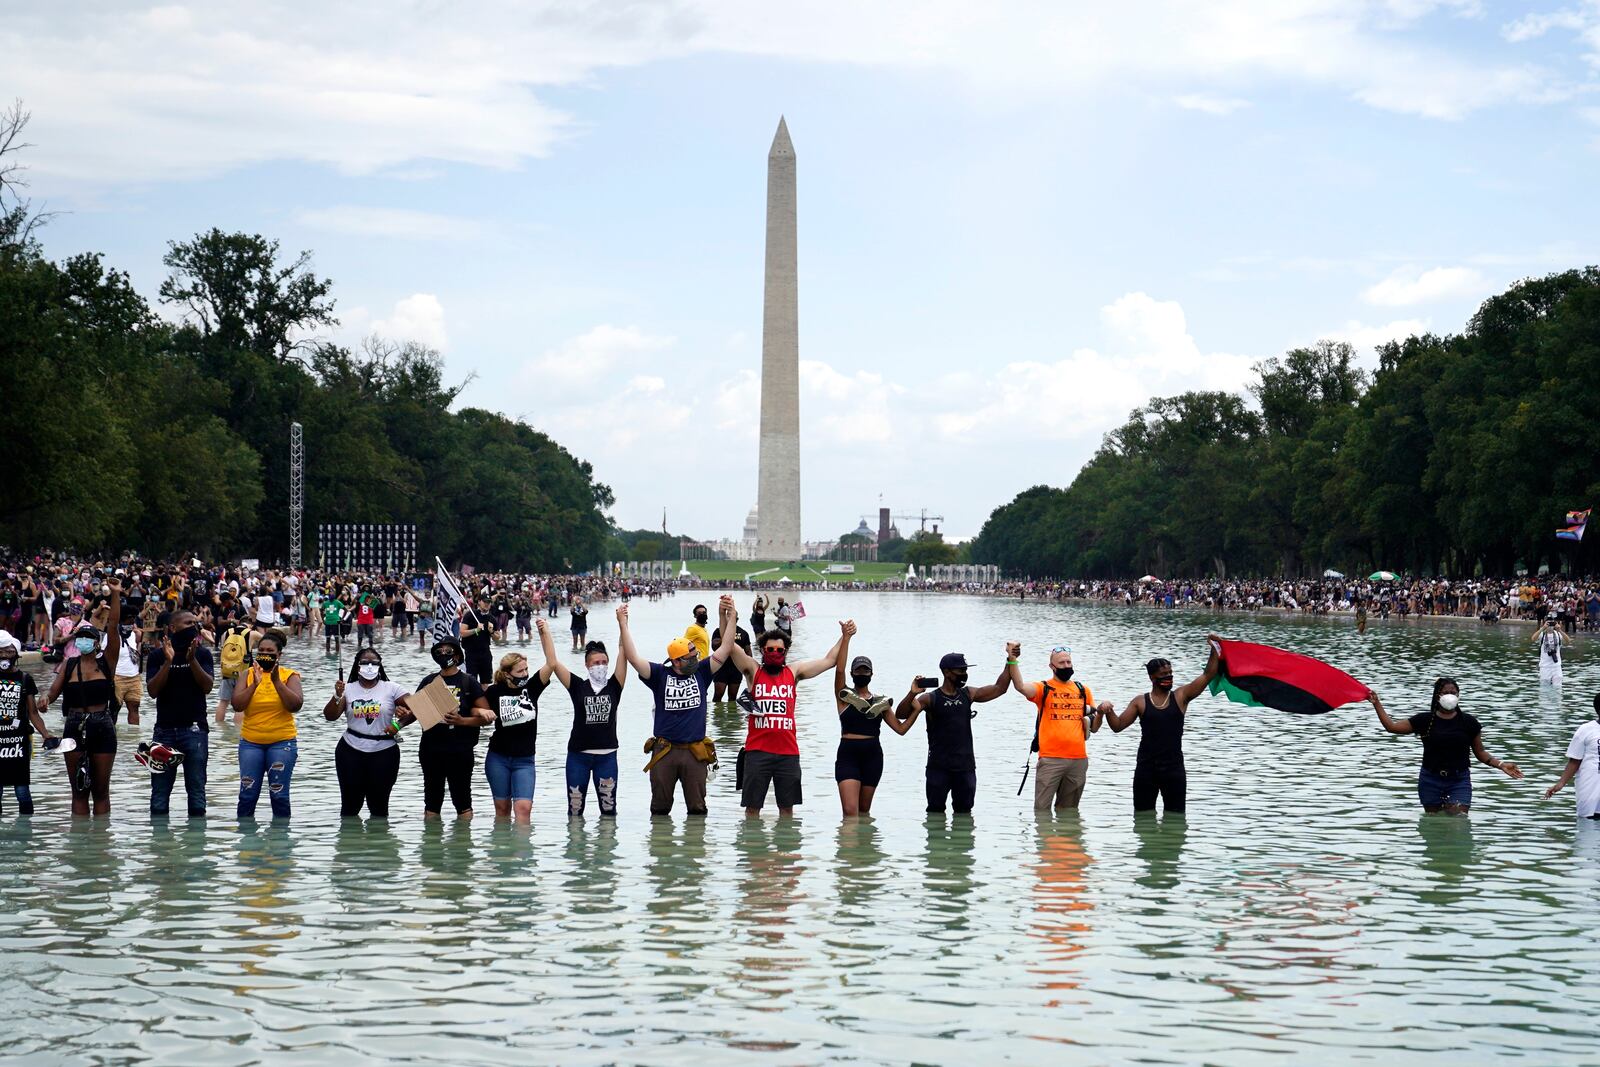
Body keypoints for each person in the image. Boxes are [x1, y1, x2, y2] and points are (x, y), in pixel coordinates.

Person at [618, 596, 738, 815]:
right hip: (665, 751)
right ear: (675, 661)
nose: (696, 658)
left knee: (697, 809)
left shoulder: (702, 671)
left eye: (695, 654)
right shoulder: (659, 675)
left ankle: (694, 847)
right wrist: (623, 624)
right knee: (660, 809)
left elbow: (726, 648)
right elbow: (634, 658)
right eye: (690, 656)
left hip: (694, 751)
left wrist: (731, 617)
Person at [724, 619, 848, 817]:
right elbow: (728, 646)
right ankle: (753, 846)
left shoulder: (793, 672)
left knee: (787, 811)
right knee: (752, 809)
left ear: (786, 652)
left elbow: (830, 661)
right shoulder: (753, 671)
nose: (774, 653)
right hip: (757, 752)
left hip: (788, 753)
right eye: (769, 650)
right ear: (763, 651)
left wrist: (845, 635)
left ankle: (786, 847)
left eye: (779, 650)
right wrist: (726, 616)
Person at [1370, 680, 1523, 814]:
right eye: (1445, 692)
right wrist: (1377, 703)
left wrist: (1501, 765)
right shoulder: (1424, 720)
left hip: (1459, 781)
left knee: (1458, 822)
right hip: (1430, 780)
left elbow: (1480, 752)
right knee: (1435, 824)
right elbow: (1392, 727)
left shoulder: (1469, 722)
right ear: (1438, 696)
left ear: (1458, 696)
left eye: (1453, 692)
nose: (1450, 695)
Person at [1102, 647, 1221, 814]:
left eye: (1170, 673)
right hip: (1146, 768)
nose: (1168, 677)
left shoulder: (1181, 696)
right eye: (1163, 674)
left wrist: (1214, 649)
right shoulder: (1140, 702)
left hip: (1173, 768)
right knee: (1142, 817)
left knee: (1176, 818)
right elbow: (1118, 726)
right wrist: (1108, 711)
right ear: (1152, 677)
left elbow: (1208, 675)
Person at [895, 650, 1011, 814]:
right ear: (947, 672)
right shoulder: (930, 698)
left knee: (964, 813)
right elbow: (901, 714)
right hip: (938, 768)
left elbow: (1000, 688)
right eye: (960, 670)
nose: (964, 674)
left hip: (965, 767)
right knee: (935, 812)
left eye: (965, 670)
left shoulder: (968, 694)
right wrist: (912, 693)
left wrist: (1010, 661)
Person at [1004, 643, 1115, 811]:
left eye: (1069, 662)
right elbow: (1020, 686)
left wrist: (1100, 712)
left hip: (1078, 760)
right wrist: (1012, 659)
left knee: (1069, 812)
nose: (1066, 666)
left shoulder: (1082, 690)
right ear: (1052, 666)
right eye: (1062, 663)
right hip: (1050, 760)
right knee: (1042, 811)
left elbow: (1094, 728)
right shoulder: (1044, 688)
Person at [47, 578, 123, 816]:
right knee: (78, 790)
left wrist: (116, 594)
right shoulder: (69, 664)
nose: (83, 641)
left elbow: (113, 625)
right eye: (80, 637)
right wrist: (42, 701)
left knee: (101, 791)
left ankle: (100, 844)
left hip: (102, 724)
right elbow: (52, 693)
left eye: (88, 637)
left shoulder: (106, 662)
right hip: (73, 725)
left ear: (97, 643)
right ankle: (78, 843)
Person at [541, 612, 627, 818]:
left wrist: (623, 622)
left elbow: (623, 652)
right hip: (578, 756)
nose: (601, 666)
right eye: (596, 663)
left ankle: (605, 850)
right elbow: (553, 663)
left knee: (608, 809)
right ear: (587, 665)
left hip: (606, 756)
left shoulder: (615, 685)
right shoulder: (577, 686)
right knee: (575, 808)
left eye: (604, 662)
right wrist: (545, 632)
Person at [323, 647, 411, 819]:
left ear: (380, 666)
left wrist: (399, 724)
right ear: (357, 667)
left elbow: (418, 707)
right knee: (350, 806)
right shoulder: (348, 688)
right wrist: (337, 696)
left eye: (374, 663)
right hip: (350, 750)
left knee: (379, 807)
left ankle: (378, 844)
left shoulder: (392, 688)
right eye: (365, 662)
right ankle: (350, 842)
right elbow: (330, 716)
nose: (369, 666)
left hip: (384, 751)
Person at [833, 623, 911, 816]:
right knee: (850, 812)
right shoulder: (844, 696)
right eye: (858, 671)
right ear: (852, 674)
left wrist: (915, 703)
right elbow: (839, 671)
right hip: (848, 754)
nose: (861, 674)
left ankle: (864, 845)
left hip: (873, 755)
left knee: (864, 811)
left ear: (871, 674)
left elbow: (900, 729)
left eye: (865, 671)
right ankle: (848, 845)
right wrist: (846, 638)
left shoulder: (881, 703)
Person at [144, 610, 215, 818]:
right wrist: (168, 662)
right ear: (172, 628)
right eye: (188, 623)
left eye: (196, 622)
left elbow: (207, 687)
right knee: (159, 795)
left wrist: (192, 660)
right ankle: (160, 844)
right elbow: (152, 691)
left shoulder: (202, 654)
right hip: (163, 731)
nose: (194, 626)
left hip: (195, 731)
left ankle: (195, 845)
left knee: (196, 793)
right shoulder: (157, 655)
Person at [416, 636, 493, 819]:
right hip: (431, 750)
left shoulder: (468, 682)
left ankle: (463, 844)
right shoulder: (429, 681)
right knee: (432, 801)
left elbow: (487, 717)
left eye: (448, 651)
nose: (443, 654)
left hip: (460, 751)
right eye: (439, 651)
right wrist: (396, 723)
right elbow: (415, 711)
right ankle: (431, 844)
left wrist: (461, 721)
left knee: (463, 800)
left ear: (457, 656)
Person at [229, 629, 303, 819]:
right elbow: (237, 704)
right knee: (247, 794)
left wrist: (277, 682)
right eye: (261, 651)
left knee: (279, 795)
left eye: (270, 652)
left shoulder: (289, 675)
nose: (265, 655)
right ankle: (246, 843)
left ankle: (280, 842)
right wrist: (254, 684)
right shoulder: (247, 675)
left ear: (279, 655)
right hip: (250, 743)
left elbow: (295, 705)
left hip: (282, 742)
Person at [483, 649, 551, 823]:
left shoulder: (532, 687)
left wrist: (544, 632)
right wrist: (482, 711)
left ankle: (523, 849)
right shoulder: (494, 692)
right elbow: (475, 709)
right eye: (520, 671)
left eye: (526, 669)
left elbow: (552, 663)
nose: (525, 674)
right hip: (498, 758)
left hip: (525, 760)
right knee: (502, 809)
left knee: (524, 809)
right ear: (507, 674)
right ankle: (503, 848)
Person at [0, 631, 54, 816]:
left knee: (22, 790)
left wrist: (46, 734)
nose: (4, 656)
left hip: (18, 742)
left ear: (16, 654)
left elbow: (32, 713)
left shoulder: (25, 679)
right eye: (0, 651)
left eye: (8, 651)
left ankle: (26, 834)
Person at [1544, 692, 1600, 819]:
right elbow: (1574, 761)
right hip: (1590, 789)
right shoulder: (1586, 730)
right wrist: (1561, 784)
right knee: (1588, 829)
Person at [214, 617, 258, 725]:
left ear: (239, 622)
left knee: (223, 702)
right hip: (244, 672)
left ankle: (219, 727)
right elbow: (268, 640)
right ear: (250, 624)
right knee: (242, 704)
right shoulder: (251, 633)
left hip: (227, 671)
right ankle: (237, 730)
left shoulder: (226, 633)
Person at [711, 616, 752, 702]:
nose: (731, 620)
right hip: (721, 667)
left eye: (733, 618)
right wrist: (726, 636)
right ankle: (717, 715)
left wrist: (749, 669)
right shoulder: (718, 631)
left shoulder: (743, 633)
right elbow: (714, 647)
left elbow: (748, 651)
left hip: (736, 668)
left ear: (737, 619)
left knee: (733, 696)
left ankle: (732, 715)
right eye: (728, 618)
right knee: (718, 694)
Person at [113, 617, 143, 727]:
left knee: (134, 707)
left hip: (134, 677)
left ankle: (134, 737)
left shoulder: (135, 635)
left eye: (132, 623)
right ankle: (111, 732)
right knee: (114, 709)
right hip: (117, 677)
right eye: (128, 623)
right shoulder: (111, 636)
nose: (131, 625)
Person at [460, 602, 496, 686]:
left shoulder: (491, 618)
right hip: (471, 653)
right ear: (479, 602)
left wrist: (492, 631)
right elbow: (462, 633)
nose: (487, 604)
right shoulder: (470, 615)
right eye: (485, 601)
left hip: (485, 653)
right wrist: (476, 630)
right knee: (471, 681)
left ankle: (485, 698)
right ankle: (473, 698)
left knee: (486, 682)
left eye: (488, 602)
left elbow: (497, 637)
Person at [1534, 617, 1566, 687]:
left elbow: (1568, 640)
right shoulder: (1542, 634)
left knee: (1558, 688)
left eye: (1552, 623)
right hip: (1545, 666)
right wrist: (1542, 628)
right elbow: (1533, 638)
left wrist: (1560, 630)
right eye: (1548, 624)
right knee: (1544, 688)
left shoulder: (1558, 634)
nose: (1550, 626)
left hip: (1556, 666)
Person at [322, 591, 347, 655]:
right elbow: (321, 610)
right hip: (328, 623)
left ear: (335, 595)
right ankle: (327, 653)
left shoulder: (337, 602)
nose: (331, 594)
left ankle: (337, 653)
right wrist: (323, 619)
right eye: (330, 593)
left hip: (335, 623)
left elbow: (345, 610)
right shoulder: (325, 603)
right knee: (328, 639)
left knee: (336, 639)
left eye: (332, 593)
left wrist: (342, 619)